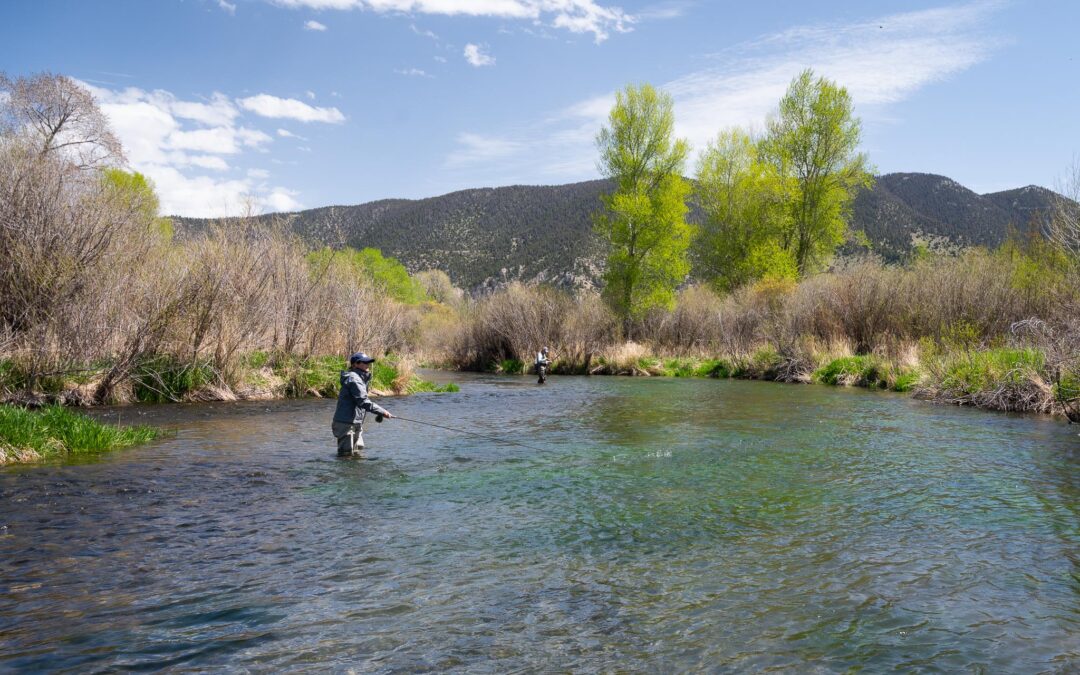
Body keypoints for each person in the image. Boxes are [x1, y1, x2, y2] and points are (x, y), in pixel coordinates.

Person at [332, 352, 393, 457]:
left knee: (357, 453)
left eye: (368, 362)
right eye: (365, 362)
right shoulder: (354, 379)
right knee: (346, 456)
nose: (368, 364)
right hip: (346, 424)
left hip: (355, 422)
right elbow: (363, 401)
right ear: (355, 364)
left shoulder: (360, 378)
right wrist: (382, 412)